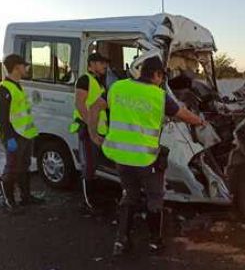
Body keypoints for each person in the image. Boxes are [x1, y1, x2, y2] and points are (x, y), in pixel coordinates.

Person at [89, 57, 206, 255]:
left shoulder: (117, 87)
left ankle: (121, 241)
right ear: (156, 75)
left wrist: (94, 135)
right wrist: (200, 122)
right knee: (154, 198)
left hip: (119, 156)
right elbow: (183, 114)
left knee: (130, 194)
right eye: (162, 77)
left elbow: (94, 107)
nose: (162, 82)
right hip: (145, 159)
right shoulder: (159, 95)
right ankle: (154, 242)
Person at [0, 54, 43, 213]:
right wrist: (9, 138)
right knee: (12, 168)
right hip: (13, 136)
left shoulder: (17, 85)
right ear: (16, 67)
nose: (26, 68)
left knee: (24, 166)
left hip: (25, 134)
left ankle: (26, 197)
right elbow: (3, 117)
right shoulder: (4, 88)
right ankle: (8, 202)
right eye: (24, 65)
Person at [69, 53, 110, 211]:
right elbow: (80, 104)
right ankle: (88, 202)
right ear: (91, 64)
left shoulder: (98, 81)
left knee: (94, 164)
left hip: (97, 129)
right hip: (87, 130)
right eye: (101, 63)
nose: (104, 66)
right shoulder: (85, 79)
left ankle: (94, 197)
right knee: (88, 164)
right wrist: (90, 126)